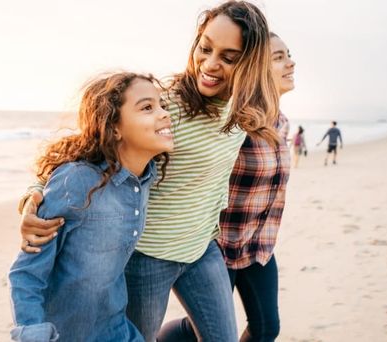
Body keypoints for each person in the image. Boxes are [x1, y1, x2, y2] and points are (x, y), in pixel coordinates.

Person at [17, 2, 280, 341]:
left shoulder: (243, 110)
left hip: (203, 250)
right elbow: (90, 145)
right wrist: (32, 196)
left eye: (228, 57)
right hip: (148, 258)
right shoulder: (166, 105)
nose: (210, 64)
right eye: (205, 48)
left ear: (250, 64)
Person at [8, 72, 174, 342]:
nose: (164, 114)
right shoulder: (76, 180)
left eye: (162, 105)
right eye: (147, 107)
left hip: (117, 330)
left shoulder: (145, 178)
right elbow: (26, 273)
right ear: (114, 127)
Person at [157, 32, 294, 342]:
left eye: (289, 54)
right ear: (254, 69)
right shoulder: (232, 121)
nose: (291, 62)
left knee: (266, 328)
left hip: (258, 244)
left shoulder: (281, 121)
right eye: (279, 57)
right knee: (200, 333)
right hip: (218, 245)